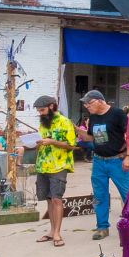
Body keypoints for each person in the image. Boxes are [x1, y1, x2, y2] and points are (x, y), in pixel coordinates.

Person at [77, 90, 129, 241]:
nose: (87, 107)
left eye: (89, 103)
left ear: (100, 101)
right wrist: (77, 131)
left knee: (128, 194)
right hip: (98, 161)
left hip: (117, 160)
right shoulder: (93, 116)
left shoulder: (117, 114)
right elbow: (93, 137)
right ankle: (102, 227)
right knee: (99, 195)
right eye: (85, 104)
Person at [33, 95, 76, 247]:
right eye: (38, 111)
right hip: (42, 165)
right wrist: (36, 143)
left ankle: (58, 233)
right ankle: (51, 232)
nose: (40, 113)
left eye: (42, 110)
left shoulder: (65, 122)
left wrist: (52, 142)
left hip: (59, 165)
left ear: (52, 106)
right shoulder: (43, 123)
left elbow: (71, 145)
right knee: (49, 200)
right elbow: (43, 140)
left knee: (57, 198)